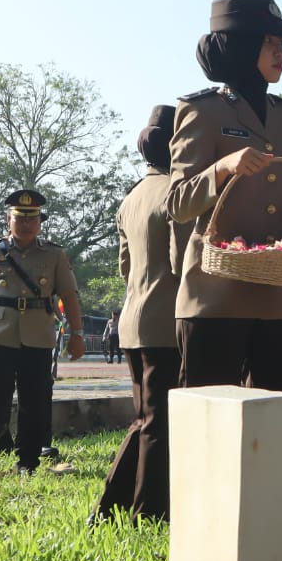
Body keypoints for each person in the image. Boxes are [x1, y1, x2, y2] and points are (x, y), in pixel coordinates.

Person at [168, 0, 282, 392]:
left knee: (276, 425)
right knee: (207, 426)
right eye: (269, 42)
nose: (280, 53)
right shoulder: (202, 111)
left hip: (281, 301)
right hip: (215, 298)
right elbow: (178, 203)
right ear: (240, 46)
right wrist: (222, 168)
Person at [94, 105, 191, 524]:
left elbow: (124, 266)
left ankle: (112, 505)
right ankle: (148, 512)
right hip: (167, 322)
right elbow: (182, 261)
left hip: (133, 322)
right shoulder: (178, 192)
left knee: (145, 418)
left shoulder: (131, 196)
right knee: (158, 423)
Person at [0, 189, 85, 476]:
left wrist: (78, 334)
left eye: (32, 219)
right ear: (8, 220)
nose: (26, 224)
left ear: (40, 222)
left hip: (38, 335)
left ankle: (27, 461)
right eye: (20, 219)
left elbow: (69, 297)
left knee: (35, 401)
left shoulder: (55, 254)